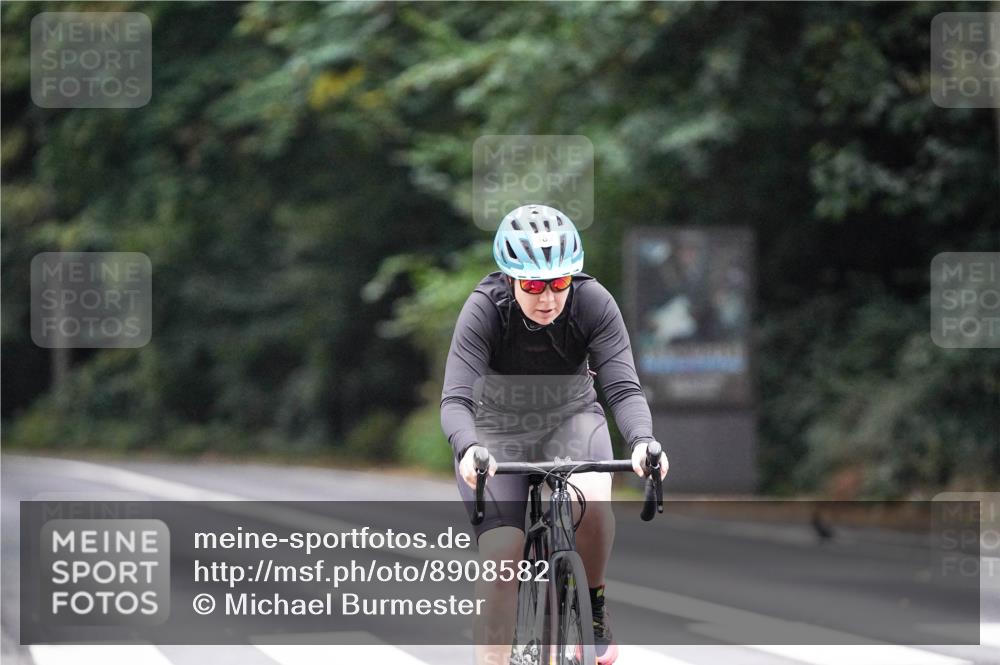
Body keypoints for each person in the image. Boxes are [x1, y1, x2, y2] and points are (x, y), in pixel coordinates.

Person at [441, 204, 669, 665]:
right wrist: (468, 449)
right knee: (504, 553)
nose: (547, 298)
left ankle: (595, 605)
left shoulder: (593, 303)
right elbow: (455, 401)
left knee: (591, 493)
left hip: (572, 418)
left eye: (559, 282)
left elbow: (622, 388)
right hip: (498, 430)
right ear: (510, 279)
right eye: (533, 285)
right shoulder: (485, 308)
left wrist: (643, 439)